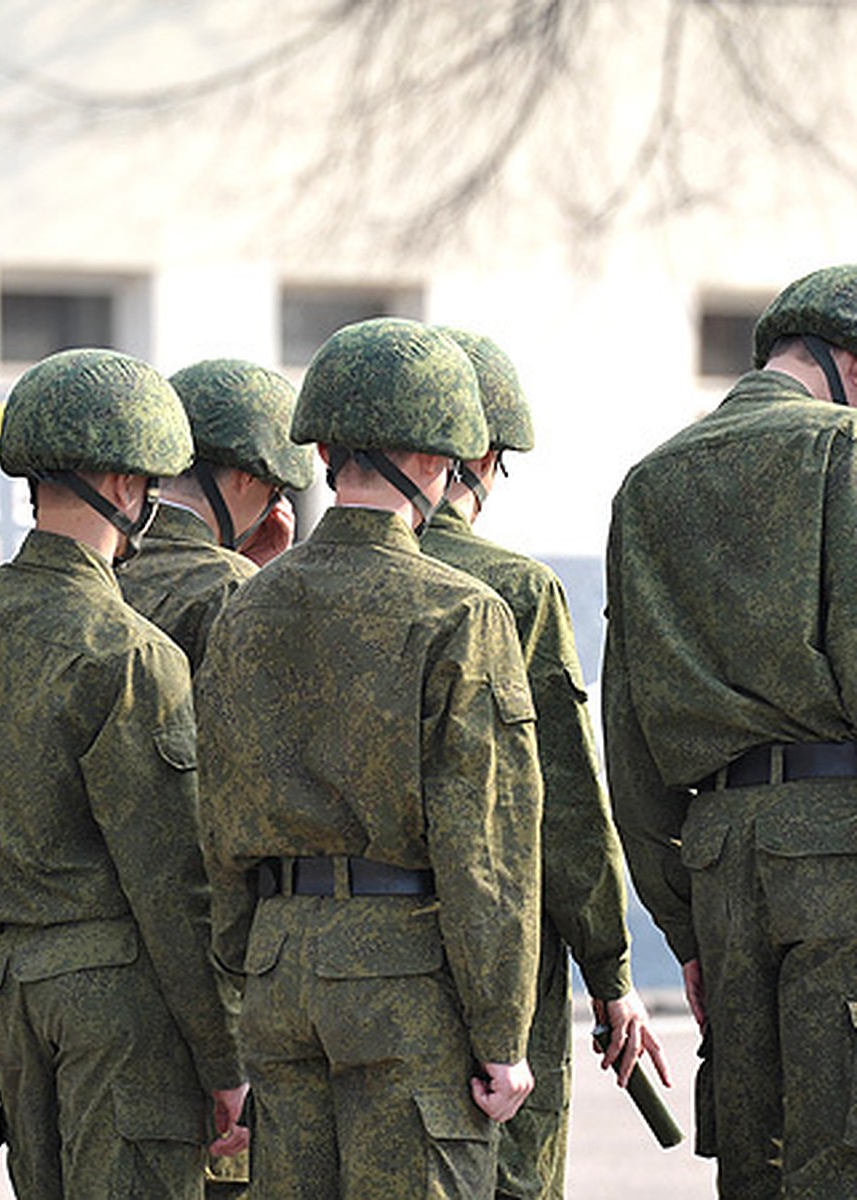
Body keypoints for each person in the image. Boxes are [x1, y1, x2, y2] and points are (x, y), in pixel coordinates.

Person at [194, 318, 544, 1198]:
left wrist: (251, 958)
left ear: (321, 454)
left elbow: (221, 818)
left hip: (281, 969)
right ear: (439, 461)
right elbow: (487, 847)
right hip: (405, 979)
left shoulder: (248, 605)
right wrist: (503, 1034)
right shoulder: (460, 613)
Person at [0, 347, 248, 1199]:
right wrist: (224, 1054)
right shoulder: (126, 651)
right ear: (126, 489)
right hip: (115, 1002)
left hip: (5, 992)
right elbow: (173, 882)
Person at [602, 264, 857, 1196]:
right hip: (842, 859)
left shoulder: (650, 482)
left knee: (759, 1160)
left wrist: (685, 929)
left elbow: (628, 746)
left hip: (721, 867)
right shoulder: (846, 455)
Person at [420, 330, 668, 1199]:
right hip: (505, 960)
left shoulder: (293, 585)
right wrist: (612, 976)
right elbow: (561, 800)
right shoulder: (517, 591)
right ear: (481, 456)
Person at [118, 358, 314, 1196]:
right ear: (243, 478)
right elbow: (253, 819)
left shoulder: (97, 578)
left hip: (76, 988)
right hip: (203, 991)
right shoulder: (232, 595)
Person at [118, 357, 314, 669]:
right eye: (274, 492)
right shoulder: (229, 589)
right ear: (247, 478)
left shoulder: (101, 560)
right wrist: (258, 582)